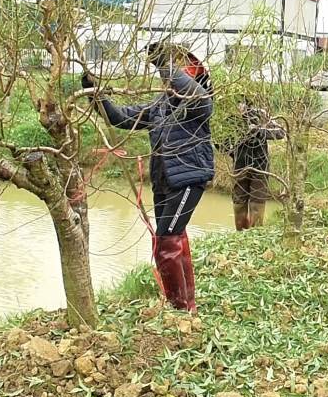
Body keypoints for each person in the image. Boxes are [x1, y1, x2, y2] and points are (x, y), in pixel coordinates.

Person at [81, 40, 213, 312]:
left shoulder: (199, 103)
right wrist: (94, 93)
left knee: (167, 240)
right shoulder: (160, 106)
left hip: (188, 179)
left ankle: (180, 308)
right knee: (171, 238)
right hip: (164, 181)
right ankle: (186, 302)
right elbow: (119, 119)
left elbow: (189, 90)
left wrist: (163, 63)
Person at [221, 99, 285, 231]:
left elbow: (280, 133)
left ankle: (254, 236)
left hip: (260, 167)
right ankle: (240, 235)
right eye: (238, 103)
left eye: (243, 103)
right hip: (240, 166)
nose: (241, 107)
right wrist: (233, 153)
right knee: (239, 203)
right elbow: (220, 141)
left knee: (257, 203)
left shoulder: (261, 115)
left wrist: (259, 131)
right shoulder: (230, 119)